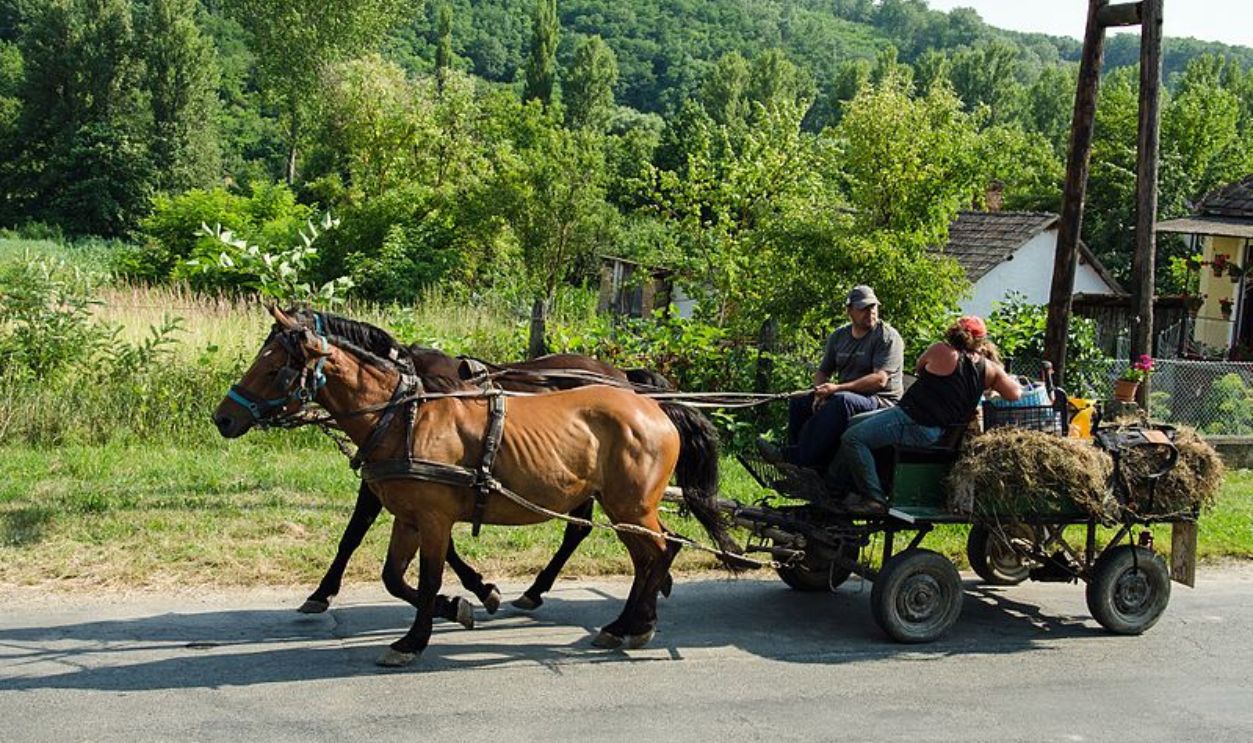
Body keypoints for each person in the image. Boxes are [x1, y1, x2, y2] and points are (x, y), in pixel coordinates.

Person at [830, 315, 1022, 513]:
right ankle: (841, 488)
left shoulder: (941, 350)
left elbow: (920, 368)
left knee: (853, 439)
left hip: (913, 420)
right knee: (854, 423)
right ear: (982, 341)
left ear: (954, 332)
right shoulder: (990, 369)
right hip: (938, 431)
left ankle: (874, 498)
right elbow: (1015, 394)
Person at [764, 285, 904, 471]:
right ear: (849, 311)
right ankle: (807, 465)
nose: (870, 312)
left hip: (882, 401)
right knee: (799, 401)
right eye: (863, 308)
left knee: (840, 401)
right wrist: (819, 393)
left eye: (873, 307)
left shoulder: (887, 337)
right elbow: (823, 372)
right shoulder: (839, 336)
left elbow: (880, 380)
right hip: (850, 396)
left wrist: (837, 388)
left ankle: (794, 458)